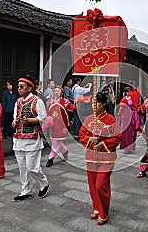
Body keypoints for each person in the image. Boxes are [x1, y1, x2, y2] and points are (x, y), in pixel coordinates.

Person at [79, 92, 122, 225]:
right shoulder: (88, 119)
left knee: (100, 185)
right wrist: (89, 139)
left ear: (103, 104)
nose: (94, 105)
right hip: (91, 157)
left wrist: (102, 143)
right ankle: (96, 208)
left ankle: (104, 213)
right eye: (93, 103)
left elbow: (117, 137)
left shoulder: (111, 119)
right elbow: (82, 133)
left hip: (106, 158)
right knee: (92, 185)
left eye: (97, 102)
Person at [12, 76, 50, 202]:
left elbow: (43, 118)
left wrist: (30, 120)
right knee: (22, 167)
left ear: (29, 88)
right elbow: (14, 120)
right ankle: (25, 190)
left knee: (32, 167)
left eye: (22, 86)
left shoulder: (37, 101)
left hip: (32, 138)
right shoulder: (17, 102)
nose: (19, 89)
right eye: (18, 86)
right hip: (18, 138)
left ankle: (44, 183)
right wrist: (15, 122)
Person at [44, 86, 74, 167]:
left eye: (58, 91)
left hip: (62, 125)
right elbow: (47, 111)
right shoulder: (50, 101)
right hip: (53, 124)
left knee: (56, 141)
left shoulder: (65, 102)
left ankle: (51, 158)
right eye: (55, 91)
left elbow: (73, 108)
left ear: (61, 92)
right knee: (55, 140)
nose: (56, 92)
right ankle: (65, 151)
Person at [118, 88, 139, 153]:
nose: (127, 93)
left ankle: (130, 147)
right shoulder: (124, 99)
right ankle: (126, 147)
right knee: (125, 133)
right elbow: (120, 110)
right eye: (126, 92)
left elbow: (134, 107)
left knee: (130, 133)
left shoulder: (132, 98)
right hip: (125, 116)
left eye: (128, 91)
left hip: (131, 116)